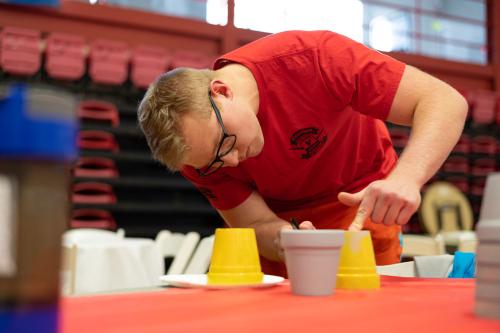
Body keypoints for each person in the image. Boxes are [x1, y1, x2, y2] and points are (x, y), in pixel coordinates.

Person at [137, 30, 467, 277]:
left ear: (222, 91)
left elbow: (445, 102)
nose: (234, 162)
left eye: (226, 144)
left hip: (358, 202)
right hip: (285, 227)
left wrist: (406, 178)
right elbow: (253, 221)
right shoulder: (200, 154)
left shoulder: (315, 58)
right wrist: (286, 240)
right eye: (216, 163)